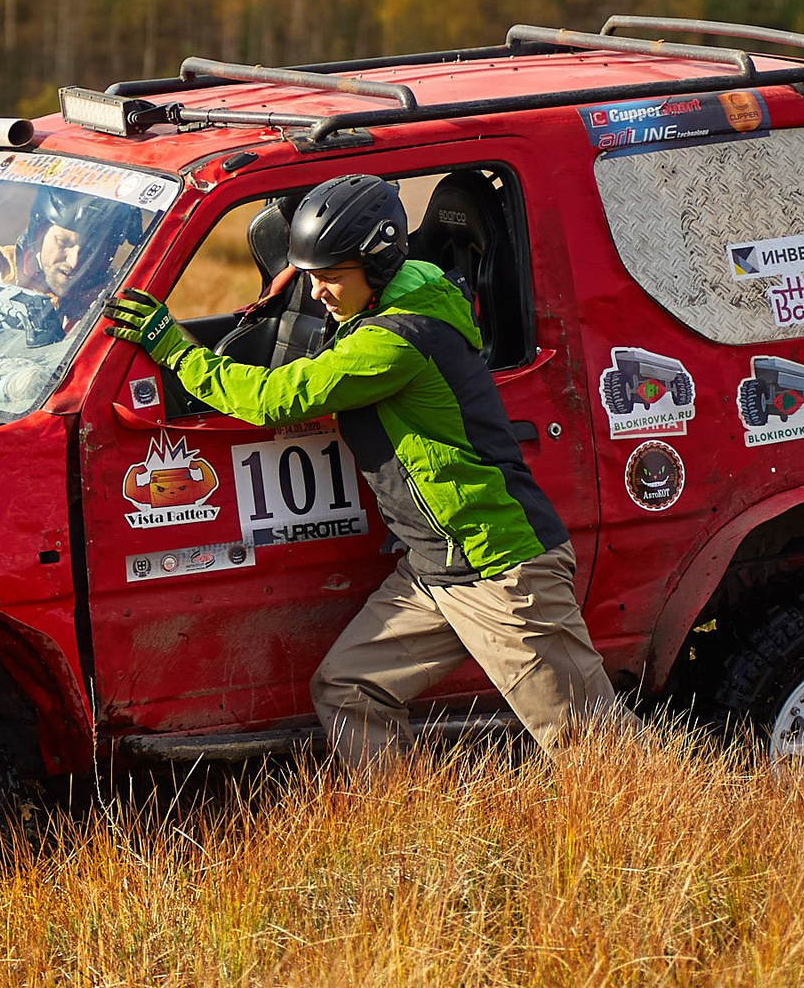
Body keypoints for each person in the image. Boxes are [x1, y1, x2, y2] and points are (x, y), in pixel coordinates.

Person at [102, 174, 623, 765]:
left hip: (499, 567)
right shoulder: (400, 292)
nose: (317, 290)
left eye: (330, 276)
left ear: (375, 266)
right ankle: (404, 830)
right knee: (350, 688)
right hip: (438, 567)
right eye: (309, 275)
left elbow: (279, 398)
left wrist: (172, 348)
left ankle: (680, 834)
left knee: (595, 747)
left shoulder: (396, 339)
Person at [0, 190, 128, 344]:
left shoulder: (117, 304)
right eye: (63, 243)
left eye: (91, 249)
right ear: (39, 234)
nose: (75, 261)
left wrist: (161, 353)